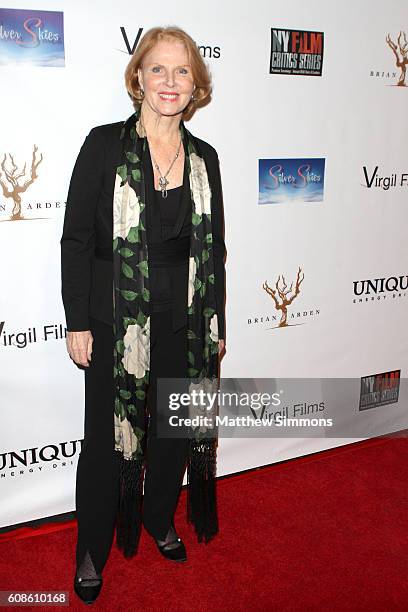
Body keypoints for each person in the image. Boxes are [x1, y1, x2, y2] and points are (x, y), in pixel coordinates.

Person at [60, 25, 226, 605]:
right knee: (106, 442)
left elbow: (215, 252)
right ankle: (90, 548)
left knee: (175, 435)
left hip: (184, 323)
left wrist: (216, 327)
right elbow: (77, 238)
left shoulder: (205, 159)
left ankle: (159, 518)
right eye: (159, 69)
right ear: (138, 78)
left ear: (195, 85)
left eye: (182, 71)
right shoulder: (103, 146)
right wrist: (77, 320)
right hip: (114, 324)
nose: (170, 82)